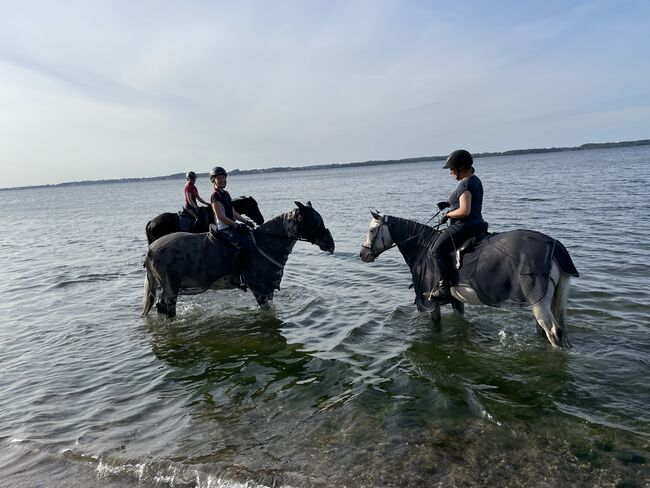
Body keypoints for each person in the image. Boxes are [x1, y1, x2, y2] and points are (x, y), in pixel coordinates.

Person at [429, 149, 488, 300]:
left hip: (464, 226)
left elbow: (465, 210)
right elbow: (467, 202)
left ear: (461, 167)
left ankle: (444, 290)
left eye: (451, 169)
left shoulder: (465, 184)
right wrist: (449, 203)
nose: (450, 173)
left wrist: (448, 214)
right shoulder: (475, 180)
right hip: (477, 224)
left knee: (435, 251)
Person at [209, 166, 256, 285]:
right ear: (213, 180)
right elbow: (220, 216)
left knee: (251, 239)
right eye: (218, 178)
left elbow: (233, 212)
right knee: (242, 246)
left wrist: (246, 221)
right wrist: (236, 226)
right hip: (223, 228)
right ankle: (235, 276)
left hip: (230, 225)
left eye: (223, 177)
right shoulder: (215, 196)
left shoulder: (226, 193)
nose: (221, 180)